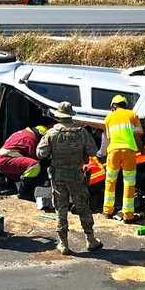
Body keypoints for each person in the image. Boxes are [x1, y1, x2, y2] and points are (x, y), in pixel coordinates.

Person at [36, 102, 103, 255]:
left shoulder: (52, 133)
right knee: (83, 206)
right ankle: (90, 240)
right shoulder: (81, 132)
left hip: (58, 176)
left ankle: (63, 243)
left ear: (59, 116)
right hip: (76, 176)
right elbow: (93, 151)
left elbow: (40, 154)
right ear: (71, 115)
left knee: (61, 208)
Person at [102, 94, 144, 223]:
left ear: (114, 106)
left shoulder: (108, 118)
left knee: (110, 180)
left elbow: (108, 138)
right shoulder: (133, 115)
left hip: (113, 151)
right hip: (129, 151)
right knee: (129, 183)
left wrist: (102, 155)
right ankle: (128, 215)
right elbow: (137, 136)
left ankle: (107, 211)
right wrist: (143, 150)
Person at [0, 125, 49, 198]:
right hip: (7, 160)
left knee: (27, 169)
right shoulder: (31, 138)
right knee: (34, 165)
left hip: (4, 160)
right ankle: (24, 192)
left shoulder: (24, 133)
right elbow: (34, 157)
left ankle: (20, 188)